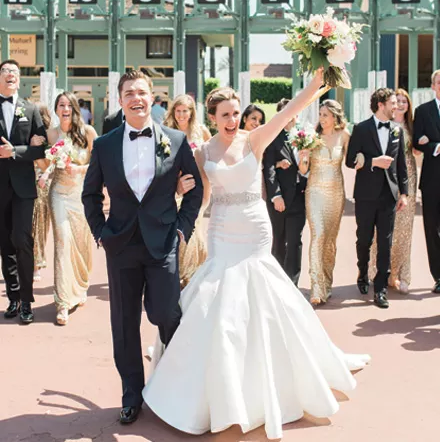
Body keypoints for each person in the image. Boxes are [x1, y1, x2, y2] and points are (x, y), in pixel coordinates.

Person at [143, 70, 369, 441]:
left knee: (262, 294)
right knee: (218, 304)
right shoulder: (202, 152)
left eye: (236, 113)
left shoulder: (255, 139)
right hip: (221, 230)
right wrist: (183, 197)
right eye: (225, 115)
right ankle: (216, 385)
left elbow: (290, 110)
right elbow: (197, 193)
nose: (233, 120)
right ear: (212, 117)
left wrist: (316, 84)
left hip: (254, 228)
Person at [82, 70, 203, 426]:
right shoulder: (104, 145)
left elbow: (195, 190)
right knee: (124, 323)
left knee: (166, 313)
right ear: (119, 100)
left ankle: (174, 388)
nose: (136, 98)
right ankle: (131, 395)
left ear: (152, 97)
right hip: (120, 244)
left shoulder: (176, 140)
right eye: (129, 93)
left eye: (141, 92)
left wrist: (182, 228)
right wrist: (100, 232)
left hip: (163, 242)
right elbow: (90, 194)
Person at [33, 92, 97, 325]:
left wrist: (79, 169)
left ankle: (79, 287)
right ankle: (62, 302)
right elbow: (44, 165)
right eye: (61, 105)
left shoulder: (88, 132)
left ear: (75, 109)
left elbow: (98, 163)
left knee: (81, 244)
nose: (65, 109)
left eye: (69, 105)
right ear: (56, 109)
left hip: (81, 196)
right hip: (58, 193)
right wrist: (35, 148)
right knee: (62, 242)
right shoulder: (50, 134)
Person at [346, 88, 408, 309]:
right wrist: (373, 162)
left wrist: (404, 193)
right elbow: (350, 161)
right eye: (392, 103)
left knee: (385, 242)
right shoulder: (361, 129)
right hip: (365, 195)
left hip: (389, 195)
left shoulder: (397, 130)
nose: (396, 106)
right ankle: (363, 273)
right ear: (381, 105)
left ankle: (380, 288)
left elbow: (401, 165)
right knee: (364, 239)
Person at [0, 59, 46, 324]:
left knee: (22, 240)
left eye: (15, 72)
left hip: (23, 187)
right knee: (5, 244)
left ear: (19, 79)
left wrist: (15, 151)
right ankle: (13, 298)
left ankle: (27, 301)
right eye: (6, 71)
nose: (11, 75)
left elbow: (41, 149)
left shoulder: (31, 109)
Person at [369, 89, 418, 294]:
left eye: (404, 101)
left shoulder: (412, 126)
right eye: (397, 101)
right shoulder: (385, 125)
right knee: (385, 227)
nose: (401, 104)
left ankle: (402, 275)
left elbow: (418, 149)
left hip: (409, 177)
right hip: (388, 177)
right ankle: (379, 270)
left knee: (405, 229)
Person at [302, 100, 350, 305]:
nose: (321, 118)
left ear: (334, 117)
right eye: (320, 114)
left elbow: (351, 161)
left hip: (336, 193)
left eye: (325, 115)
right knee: (318, 235)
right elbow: (303, 169)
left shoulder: (344, 135)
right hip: (314, 192)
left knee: (330, 240)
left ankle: (327, 284)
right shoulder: (311, 137)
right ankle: (316, 287)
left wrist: (362, 158)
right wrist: (304, 157)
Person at [164, 94, 211, 287]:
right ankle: (180, 274)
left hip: (199, 188)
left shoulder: (201, 131)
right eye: (178, 111)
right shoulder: (166, 132)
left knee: (195, 230)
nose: (181, 115)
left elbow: (211, 156)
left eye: (185, 111)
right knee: (178, 230)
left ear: (191, 112)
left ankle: (193, 276)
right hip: (175, 189)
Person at [262, 98, 306, 287]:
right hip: (280, 199)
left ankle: (293, 283)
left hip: (300, 196)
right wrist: (276, 195)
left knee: (295, 241)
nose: (290, 118)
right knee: (279, 241)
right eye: (286, 113)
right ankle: (277, 282)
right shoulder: (272, 137)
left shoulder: (304, 137)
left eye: (293, 113)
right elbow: (268, 168)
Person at [413, 69, 440, 293]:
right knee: (432, 229)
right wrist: (434, 146)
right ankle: (438, 276)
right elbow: (416, 141)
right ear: (433, 86)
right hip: (432, 180)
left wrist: (430, 141)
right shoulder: (422, 111)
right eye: (439, 83)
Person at [32, 103, 52, 282]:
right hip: (26, 183)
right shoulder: (24, 135)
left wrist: (45, 174)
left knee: (39, 225)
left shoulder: (49, 137)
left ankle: (36, 264)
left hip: (41, 185)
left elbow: (53, 162)